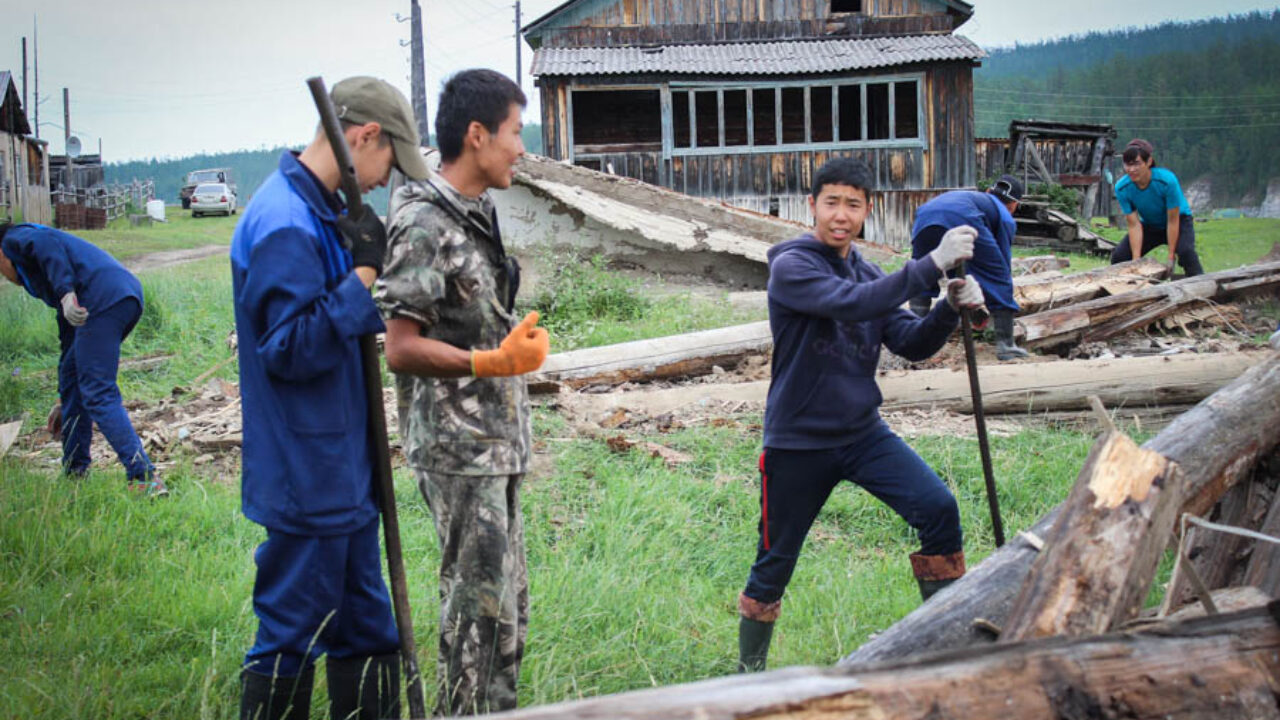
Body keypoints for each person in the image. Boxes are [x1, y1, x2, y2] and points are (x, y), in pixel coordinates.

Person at [735, 156, 985, 673]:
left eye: (853, 204)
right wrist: (929, 265)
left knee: (939, 510)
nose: (841, 215)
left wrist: (945, 309)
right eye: (831, 203)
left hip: (862, 434)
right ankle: (748, 676)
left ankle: (945, 650)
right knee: (774, 564)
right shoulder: (792, 265)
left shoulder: (869, 270)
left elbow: (911, 344)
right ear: (812, 206)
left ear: (867, 210)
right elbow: (851, 303)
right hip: (798, 441)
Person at [230, 76, 429, 720]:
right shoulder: (285, 222)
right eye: (387, 164)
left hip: (342, 469)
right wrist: (364, 273)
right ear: (364, 137)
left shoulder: (317, 210)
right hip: (306, 474)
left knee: (367, 629)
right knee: (291, 637)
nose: (382, 181)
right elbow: (288, 350)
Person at [376, 68, 548, 716]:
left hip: (498, 444)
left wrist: (507, 341)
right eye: (514, 132)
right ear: (477, 136)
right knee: (475, 619)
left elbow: (475, 314)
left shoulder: (476, 213)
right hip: (458, 450)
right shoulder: (424, 220)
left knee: (508, 616)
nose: (521, 148)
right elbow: (398, 345)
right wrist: (491, 362)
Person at [0, 221, 164, 495]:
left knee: (97, 392)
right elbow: (69, 341)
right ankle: (75, 474)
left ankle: (144, 478)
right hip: (120, 296)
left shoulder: (14, 239)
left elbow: (45, 245)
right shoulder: (44, 272)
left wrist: (66, 293)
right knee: (74, 380)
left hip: (102, 299)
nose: (6, 278)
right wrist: (61, 398)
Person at [909, 175, 1029, 360]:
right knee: (999, 277)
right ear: (1014, 205)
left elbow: (957, 266)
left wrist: (973, 305)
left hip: (924, 217)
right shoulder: (1005, 216)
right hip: (963, 217)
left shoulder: (975, 198)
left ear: (989, 191)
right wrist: (999, 291)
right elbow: (999, 267)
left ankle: (914, 340)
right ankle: (1006, 345)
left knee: (923, 276)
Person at [1110, 138, 1203, 277]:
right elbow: (1134, 224)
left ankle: (1199, 281)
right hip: (1150, 225)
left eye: (1137, 164)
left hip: (1178, 221)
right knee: (1119, 257)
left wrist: (1171, 256)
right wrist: (1135, 261)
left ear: (1148, 162)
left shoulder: (1166, 181)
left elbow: (1173, 220)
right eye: (1127, 165)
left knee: (1186, 252)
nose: (1131, 170)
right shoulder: (1122, 187)